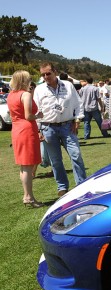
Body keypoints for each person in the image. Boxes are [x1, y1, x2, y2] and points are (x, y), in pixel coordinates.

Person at [34, 62, 87, 197]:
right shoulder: (39, 90)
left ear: (55, 72)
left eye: (48, 73)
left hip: (67, 126)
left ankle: (81, 185)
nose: (46, 77)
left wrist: (77, 119)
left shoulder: (68, 85)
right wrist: (38, 130)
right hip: (48, 127)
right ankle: (62, 187)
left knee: (76, 155)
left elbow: (78, 103)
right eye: (43, 75)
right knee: (55, 160)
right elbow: (36, 111)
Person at [7, 71, 43, 207]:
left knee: (24, 166)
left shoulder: (11, 95)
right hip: (27, 130)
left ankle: (28, 195)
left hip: (17, 129)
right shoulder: (25, 94)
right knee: (28, 165)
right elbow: (28, 116)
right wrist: (39, 115)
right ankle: (28, 197)